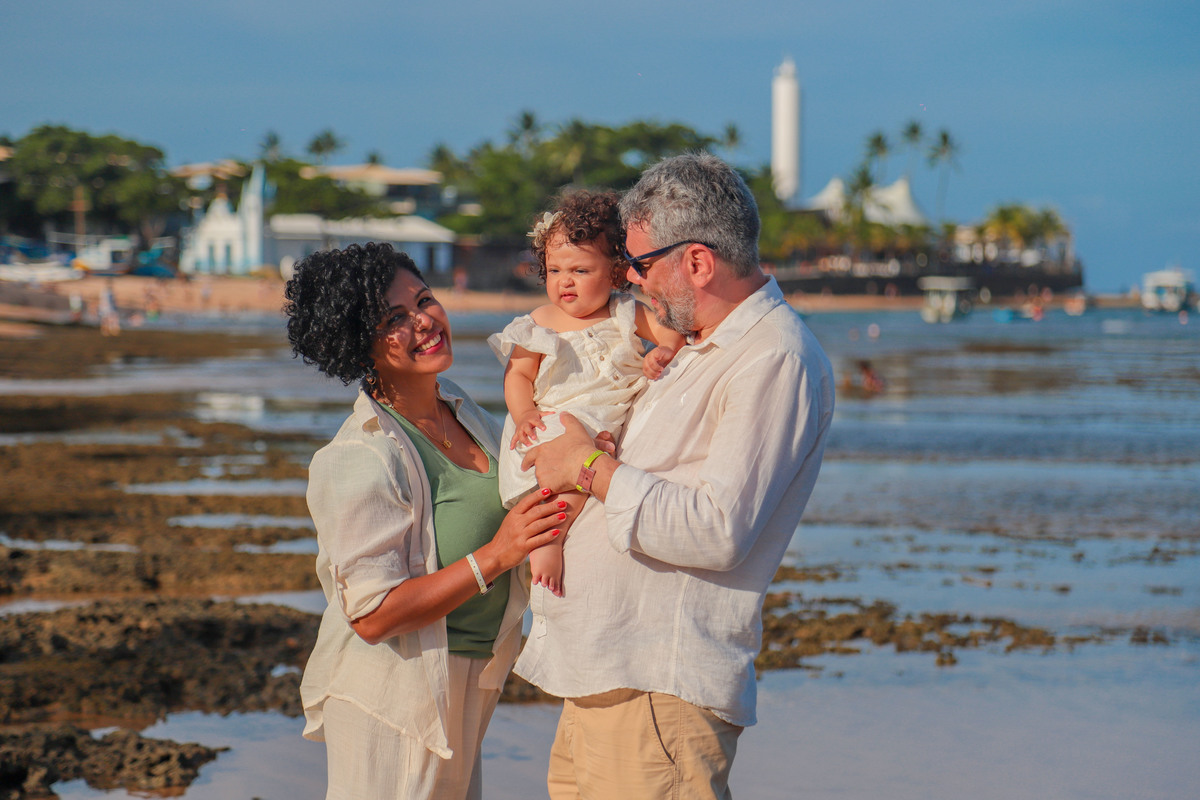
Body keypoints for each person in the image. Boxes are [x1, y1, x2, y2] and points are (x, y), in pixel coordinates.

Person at [518, 153, 836, 798]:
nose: (631, 283)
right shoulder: (696, 347)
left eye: (639, 264)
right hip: (610, 677)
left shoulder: (773, 358)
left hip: (659, 691)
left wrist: (587, 465)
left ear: (696, 261)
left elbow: (717, 531)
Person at [285, 242, 566, 800]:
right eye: (394, 319)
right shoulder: (359, 457)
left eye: (424, 300)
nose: (424, 322)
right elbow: (371, 615)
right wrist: (497, 555)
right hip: (391, 698)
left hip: (466, 683)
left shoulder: (461, 406)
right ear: (356, 343)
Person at [487, 190, 684, 596]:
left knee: (584, 473)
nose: (565, 281)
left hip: (605, 419)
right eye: (555, 270)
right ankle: (549, 541)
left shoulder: (625, 312)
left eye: (579, 270)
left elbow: (671, 336)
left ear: (614, 273)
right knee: (557, 478)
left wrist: (660, 354)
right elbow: (518, 377)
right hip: (552, 420)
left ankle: (552, 538)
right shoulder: (539, 322)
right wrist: (524, 415)